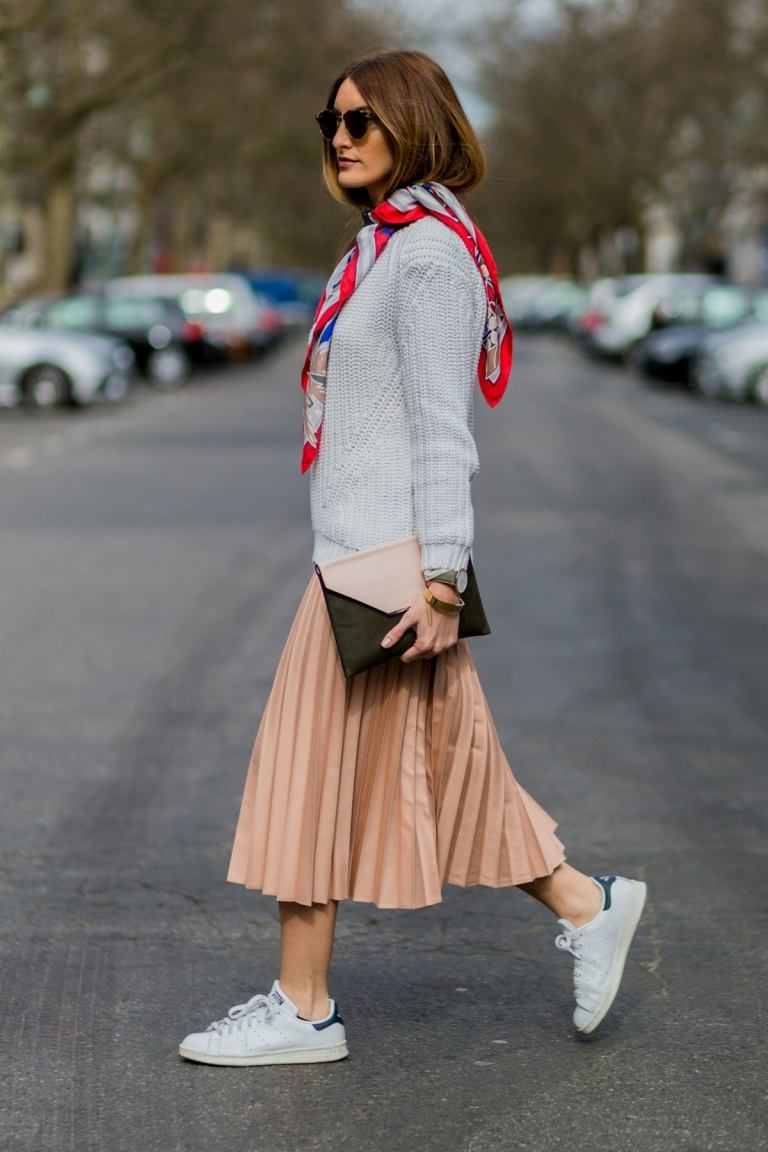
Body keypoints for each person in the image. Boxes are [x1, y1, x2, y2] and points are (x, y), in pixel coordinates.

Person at [179, 49, 646, 1068]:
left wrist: (442, 581)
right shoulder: (387, 248)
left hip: (384, 570)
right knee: (453, 770)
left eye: (360, 120)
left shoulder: (424, 257)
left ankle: (303, 1011)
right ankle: (587, 902)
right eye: (329, 122)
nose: (339, 137)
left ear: (413, 124)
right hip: (364, 557)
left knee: (308, 775)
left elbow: (444, 431)